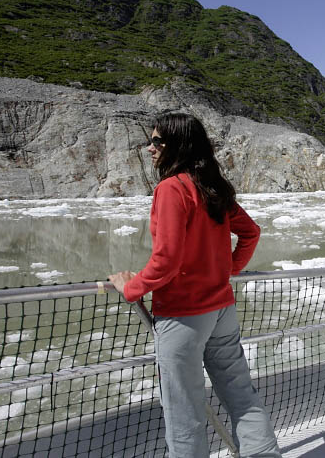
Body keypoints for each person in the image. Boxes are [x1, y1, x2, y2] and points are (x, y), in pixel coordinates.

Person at [108, 111, 281, 458]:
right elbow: (250, 232)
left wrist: (131, 287)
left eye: (157, 141)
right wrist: (226, 269)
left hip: (183, 317)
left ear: (177, 145)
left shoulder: (171, 189)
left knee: (184, 412)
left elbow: (166, 260)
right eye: (150, 141)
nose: (150, 148)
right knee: (241, 395)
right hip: (222, 311)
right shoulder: (212, 186)